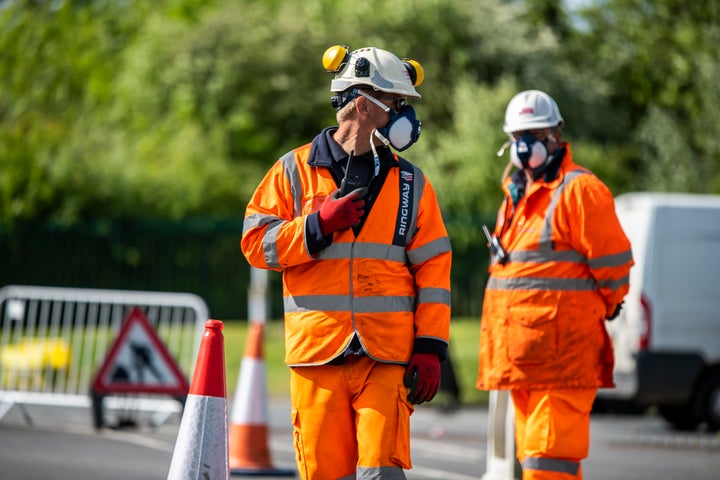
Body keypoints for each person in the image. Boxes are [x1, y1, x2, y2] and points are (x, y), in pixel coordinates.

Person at [241, 45, 452, 480]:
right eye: (396, 104)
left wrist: (430, 346)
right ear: (364, 103)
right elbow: (255, 243)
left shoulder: (411, 182)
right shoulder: (292, 171)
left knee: (381, 474)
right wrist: (315, 226)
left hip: (385, 356)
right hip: (318, 356)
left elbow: (434, 269)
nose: (404, 117)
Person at [476, 89, 633, 480]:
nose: (526, 144)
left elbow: (614, 270)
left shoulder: (581, 191)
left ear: (557, 134)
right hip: (522, 360)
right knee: (537, 465)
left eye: (536, 133)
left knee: (548, 466)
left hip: (561, 360)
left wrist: (609, 305)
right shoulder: (515, 196)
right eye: (518, 136)